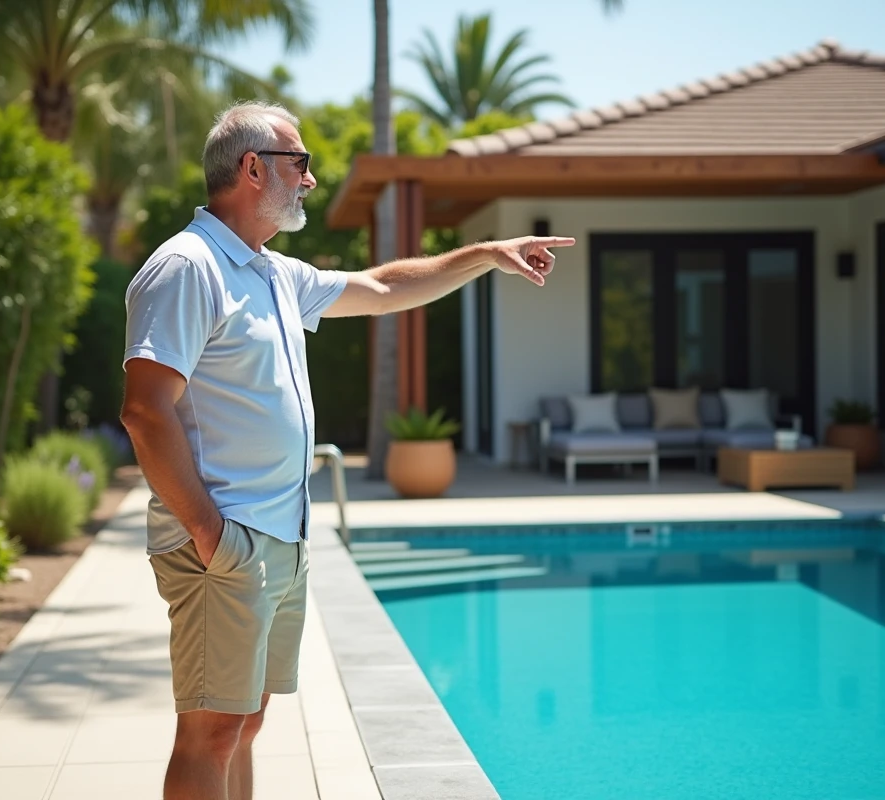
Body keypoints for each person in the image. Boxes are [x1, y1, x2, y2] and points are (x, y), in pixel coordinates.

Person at [120, 100, 574, 800]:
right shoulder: (188, 266)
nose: (308, 179)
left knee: (244, 725)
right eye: (298, 163)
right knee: (209, 732)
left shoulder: (271, 273)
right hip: (226, 541)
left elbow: (385, 286)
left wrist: (484, 256)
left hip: (277, 539)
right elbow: (146, 412)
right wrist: (210, 534)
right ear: (251, 168)